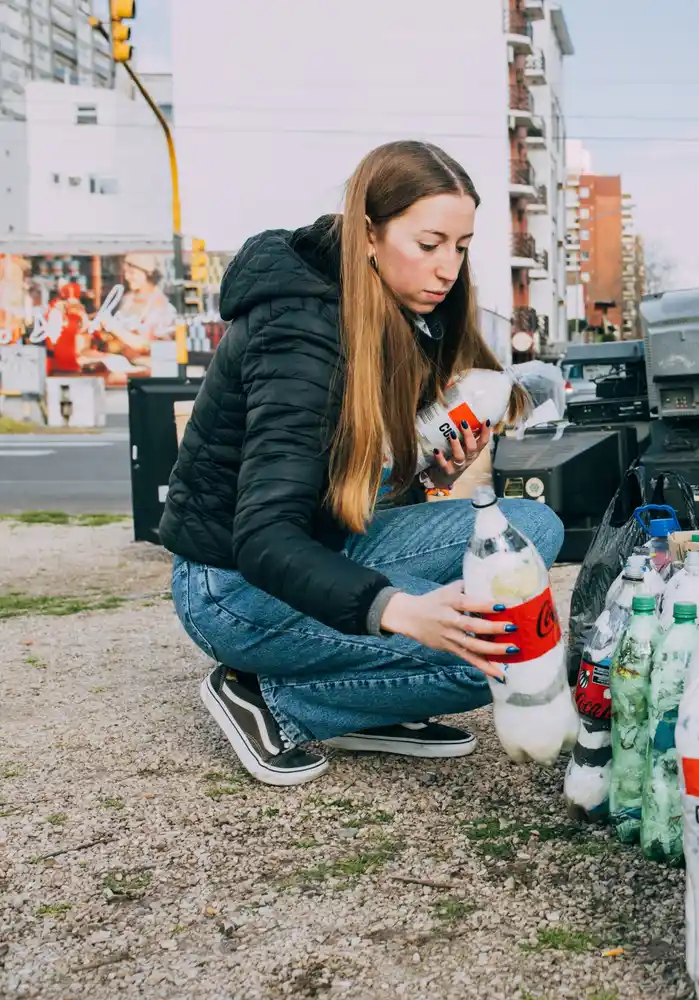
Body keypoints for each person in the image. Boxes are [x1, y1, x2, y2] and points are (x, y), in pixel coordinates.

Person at [161, 141, 564, 787]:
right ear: (370, 234)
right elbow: (264, 536)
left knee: (531, 527)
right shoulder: (300, 333)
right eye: (429, 243)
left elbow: (351, 488)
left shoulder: (400, 316)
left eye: (460, 247)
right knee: (498, 660)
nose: (447, 268)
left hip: (326, 545)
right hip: (233, 585)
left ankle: (370, 704)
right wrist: (400, 611)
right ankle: (273, 700)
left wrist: (431, 477)